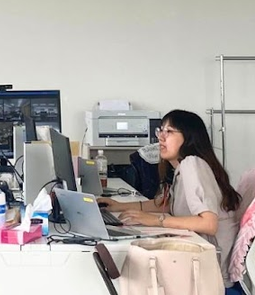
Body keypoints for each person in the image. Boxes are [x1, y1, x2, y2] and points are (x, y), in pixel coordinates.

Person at [101, 109, 240, 279]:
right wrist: (119, 206)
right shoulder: (183, 167)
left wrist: (156, 220)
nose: (161, 137)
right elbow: (167, 205)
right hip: (199, 256)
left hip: (210, 269)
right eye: (160, 130)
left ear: (188, 137)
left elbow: (208, 224)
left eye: (169, 131)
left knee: (130, 266)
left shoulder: (192, 164)